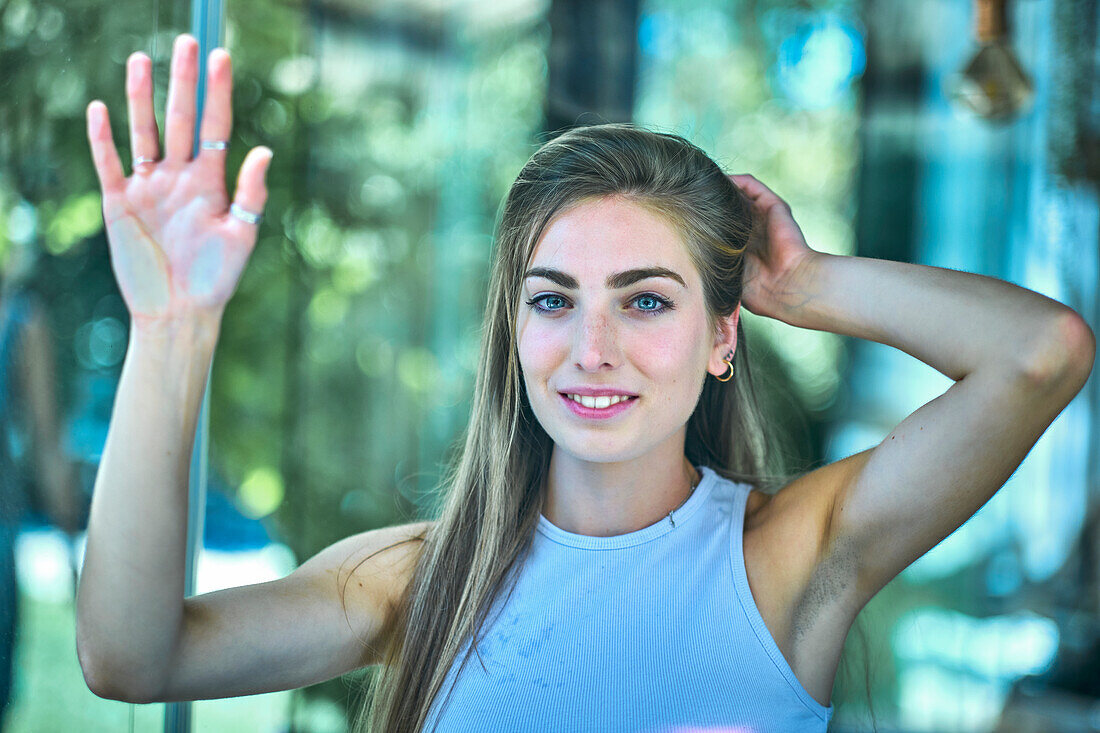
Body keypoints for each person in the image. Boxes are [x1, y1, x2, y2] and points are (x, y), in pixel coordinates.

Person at [77, 32, 1095, 733]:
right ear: (512, 329)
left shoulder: (792, 552)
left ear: (720, 337)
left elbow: (1039, 351)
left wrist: (813, 283)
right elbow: (134, 660)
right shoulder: (420, 574)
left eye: (645, 300)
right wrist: (171, 328)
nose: (589, 347)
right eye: (553, 299)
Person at [0, 233, 82, 728]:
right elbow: (47, 444)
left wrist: (73, 556)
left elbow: (47, 443)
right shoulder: (19, 318)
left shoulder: (21, 317)